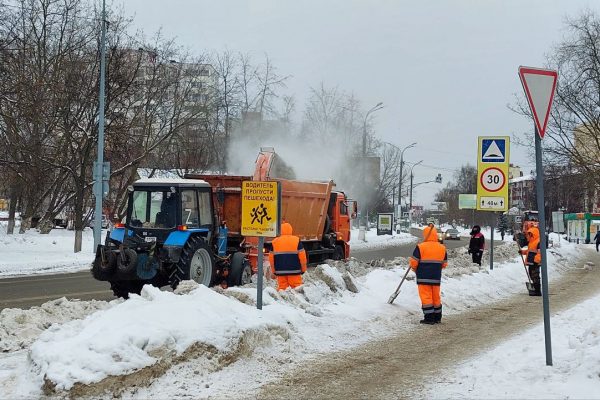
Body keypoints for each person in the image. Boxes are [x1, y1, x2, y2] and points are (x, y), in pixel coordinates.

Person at [409, 224, 448, 325]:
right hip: (436, 277)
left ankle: (429, 318)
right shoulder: (442, 248)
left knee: (426, 297)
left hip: (423, 277)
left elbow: (414, 262)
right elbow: (444, 264)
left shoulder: (420, 247)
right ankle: (437, 317)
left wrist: (415, 269)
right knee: (436, 297)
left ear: (425, 234)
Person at [268, 222, 308, 291]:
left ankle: (283, 300)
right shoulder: (296, 240)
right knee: (297, 288)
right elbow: (302, 257)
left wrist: (274, 271)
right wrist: (303, 269)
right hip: (294, 270)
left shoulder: (275, 242)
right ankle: (297, 300)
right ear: (291, 230)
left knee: (282, 289)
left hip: (280, 271)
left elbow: (271, 259)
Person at [520, 226, 542, 296]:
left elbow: (540, 252)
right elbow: (529, 251)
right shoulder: (531, 242)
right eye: (528, 234)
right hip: (531, 262)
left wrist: (536, 260)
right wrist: (522, 252)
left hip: (535, 262)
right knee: (532, 276)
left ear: (534, 234)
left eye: (530, 234)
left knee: (535, 276)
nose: (528, 235)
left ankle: (538, 291)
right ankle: (535, 289)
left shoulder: (538, 242)